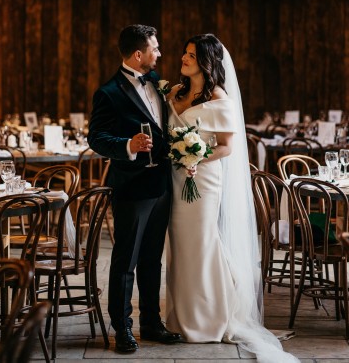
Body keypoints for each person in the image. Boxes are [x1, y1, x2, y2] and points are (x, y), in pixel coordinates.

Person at [166, 33, 299, 363]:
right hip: (175, 178)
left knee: (203, 242)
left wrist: (195, 157)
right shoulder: (174, 92)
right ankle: (181, 316)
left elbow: (226, 146)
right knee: (180, 246)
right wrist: (180, 158)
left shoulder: (219, 96)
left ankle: (211, 317)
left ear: (207, 63)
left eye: (192, 55)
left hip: (204, 179)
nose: (184, 58)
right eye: (184, 53)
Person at [88, 24, 182, 353]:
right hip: (131, 185)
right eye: (155, 49)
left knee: (152, 258)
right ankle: (122, 328)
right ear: (139, 54)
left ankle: (152, 323)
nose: (160, 54)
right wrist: (128, 144)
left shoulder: (157, 83)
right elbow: (96, 138)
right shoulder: (109, 92)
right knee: (125, 260)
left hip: (161, 184)